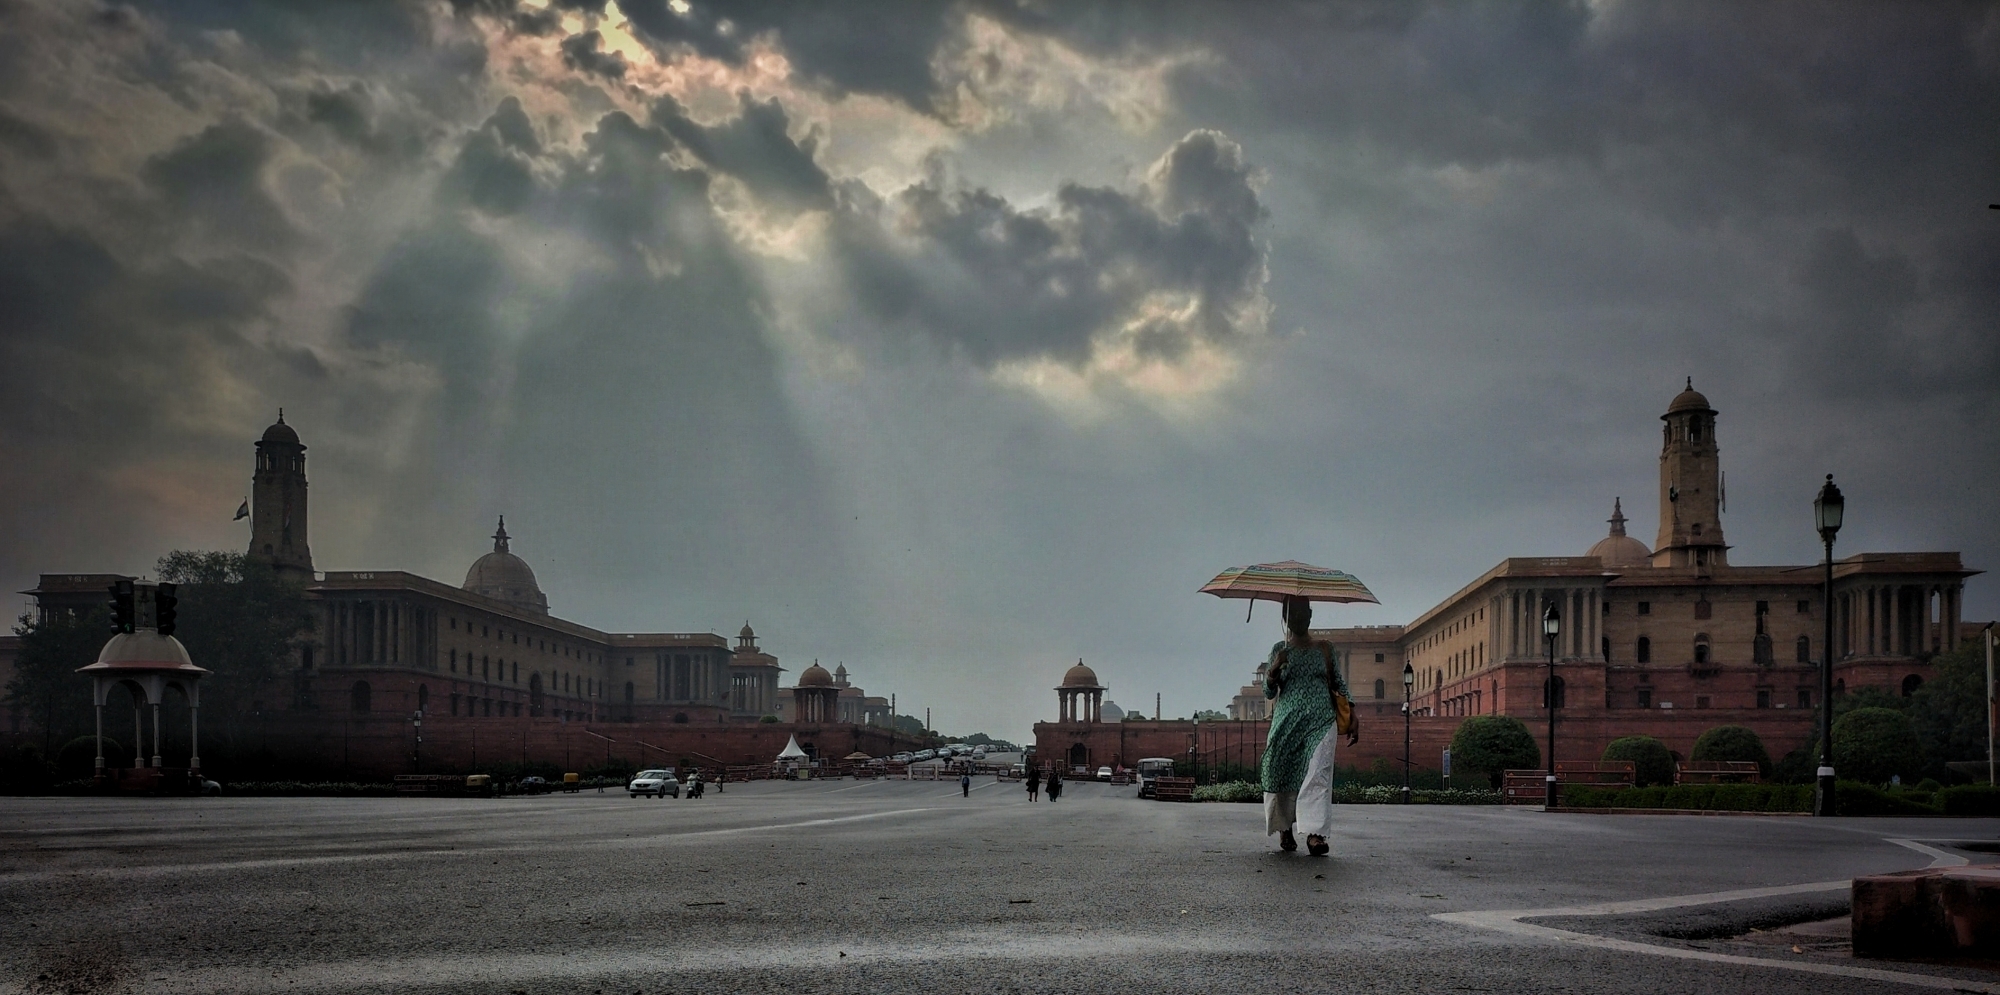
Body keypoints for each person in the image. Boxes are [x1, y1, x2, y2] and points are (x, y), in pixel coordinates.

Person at [1261, 595, 1359, 856]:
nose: (1299, 618)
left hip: (1321, 720)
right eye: (1293, 614)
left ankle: (1316, 833)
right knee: (1281, 770)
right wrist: (1274, 668)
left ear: (1311, 615)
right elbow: (1269, 692)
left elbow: (1338, 681)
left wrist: (1353, 713)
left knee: (1318, 772)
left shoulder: (1324, 648)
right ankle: (1285, 827)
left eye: (1303, 613)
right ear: (1285, 618)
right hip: (1286, 722)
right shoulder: (1278, 650)